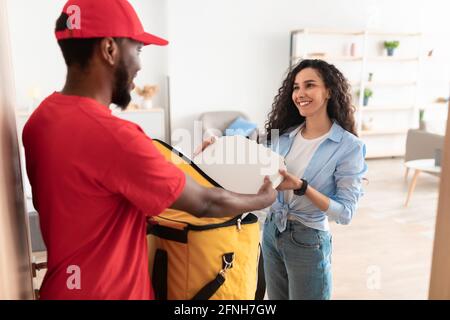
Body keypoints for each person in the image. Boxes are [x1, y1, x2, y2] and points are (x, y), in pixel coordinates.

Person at [22, 0, 276, 300]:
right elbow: (206, 204)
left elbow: (96, 193)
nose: (140, 64)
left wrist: (193, 164)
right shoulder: (115, 136)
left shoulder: (41, 120)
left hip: (61, 288)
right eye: (138, 49)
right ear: (109, 49)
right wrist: (262, 198)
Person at [261, 59, 368, 300]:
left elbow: (345, 213)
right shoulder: (285, 137)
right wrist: (218, 147)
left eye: (309, 85)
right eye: (296, 87)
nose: (300, 93)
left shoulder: (348, 147)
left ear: (329, 91)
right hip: (271, 232)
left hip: (307, 239)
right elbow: (250, 164)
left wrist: (302, 187)